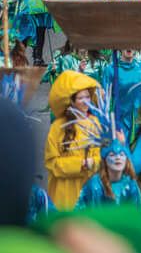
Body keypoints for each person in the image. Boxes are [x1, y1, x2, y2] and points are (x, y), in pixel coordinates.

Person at [44, 71, 102, 211]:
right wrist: (80, 164)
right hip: (64, 192)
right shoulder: (57, 127)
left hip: (88, 189)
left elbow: (101, 156)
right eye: (81, 98)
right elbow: (51, 162)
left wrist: (93, 163)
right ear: (72, 101)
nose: (86, 101)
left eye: (88, 96)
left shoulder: (96, 123)